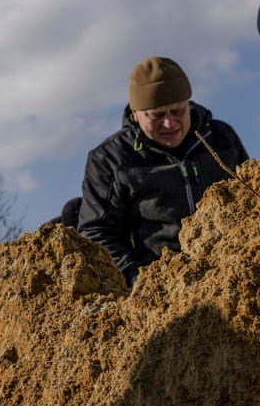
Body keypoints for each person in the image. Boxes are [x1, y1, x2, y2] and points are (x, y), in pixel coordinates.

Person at [78, 57, 249, 289]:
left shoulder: (220, 138)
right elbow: (96, 232)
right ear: (136, 114)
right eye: (157, 115)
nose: (169, 123)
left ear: (188, 103)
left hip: (233, 272)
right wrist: (138, 278)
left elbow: (251, 197)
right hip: (161, 285)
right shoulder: (110, 160)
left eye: (177, 111)